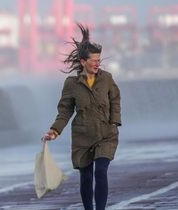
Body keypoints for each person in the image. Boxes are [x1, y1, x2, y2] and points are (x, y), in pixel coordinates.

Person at [43, 23, 121, 210]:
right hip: (82, 136)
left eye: (99, 60)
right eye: (94, 60)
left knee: (101, 171)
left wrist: (114, 122)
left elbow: (115, 99)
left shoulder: (107, 78)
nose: (97, 63)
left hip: (106, 134)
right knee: (86, 177)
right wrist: (54, 131)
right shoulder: (71, 84)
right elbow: (65, 110)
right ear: (84, 61)